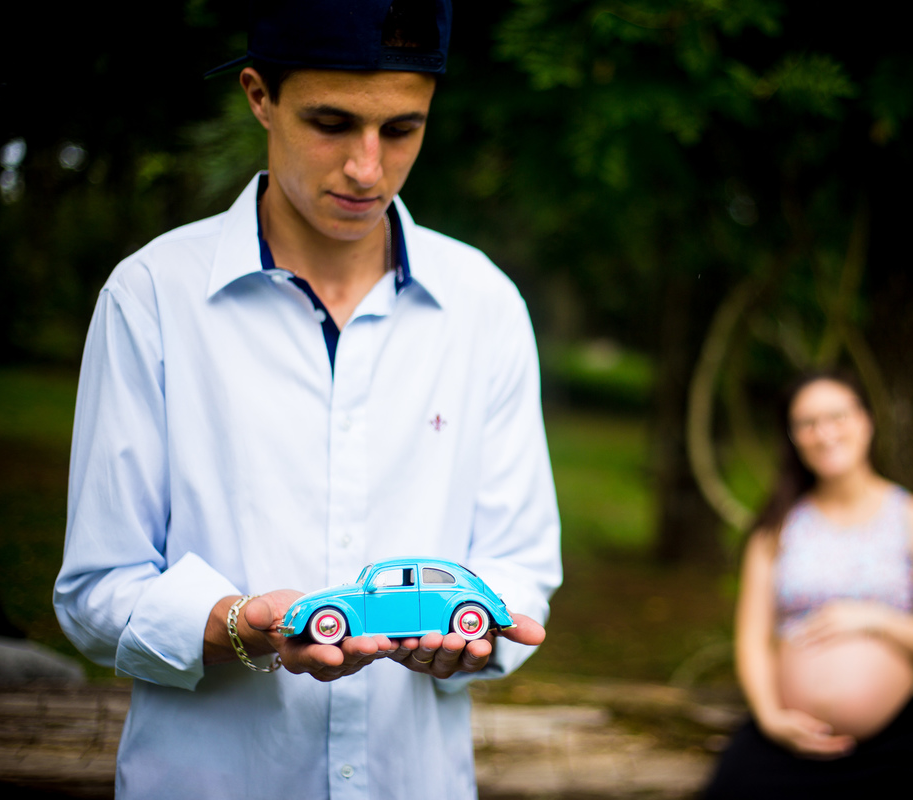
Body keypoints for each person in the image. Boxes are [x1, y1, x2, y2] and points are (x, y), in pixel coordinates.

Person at [52, 2, 561, 798]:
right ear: (259, 96)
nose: (368, 169)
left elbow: (522, 566)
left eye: (402, 129)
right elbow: (96, 588)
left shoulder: (484, 304)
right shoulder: (152, 295)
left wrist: (473, 639)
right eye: (332, 122)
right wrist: (237, 626)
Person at [703, 370, 913, 799]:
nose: (824, 433)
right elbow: (751, 640)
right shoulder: (776, 527)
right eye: (806, 423)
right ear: (793, 438)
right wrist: (771, 717)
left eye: (837, 416)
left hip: (883, 750)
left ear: (866, 420)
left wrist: (872, 619)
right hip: (782, 739)